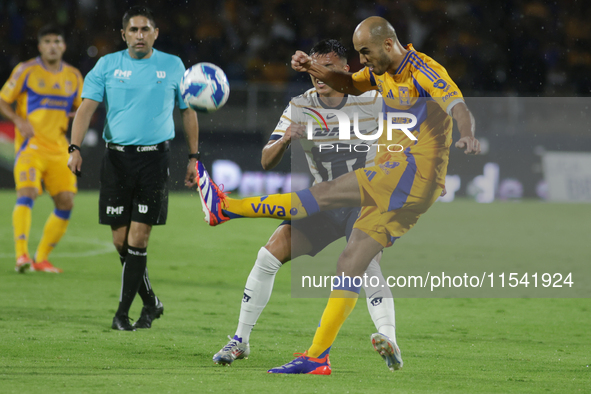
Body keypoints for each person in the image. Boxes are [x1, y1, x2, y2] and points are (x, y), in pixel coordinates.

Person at [196, 16, 480, 373]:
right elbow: (272, 155)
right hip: (358, 198)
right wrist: (290, 126)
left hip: (389, 182)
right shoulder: (306, 103)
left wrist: (465, 134)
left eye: (364, 53)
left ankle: (226, 209)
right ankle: (293, 352)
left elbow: (456, 104)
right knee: (300, 258)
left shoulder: (400, 82)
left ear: (383, 47)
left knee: (358, 250)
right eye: (359, 54)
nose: (364, 61)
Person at [212, 39, 399, 369]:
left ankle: (388, 338)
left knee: (365, 263)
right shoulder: (300, 106)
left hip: (366, 202)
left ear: (346, 69)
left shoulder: (373, 100)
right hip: (325, 201)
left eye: (326, 67)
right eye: (314, 67)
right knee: (268, 254)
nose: (318, 75)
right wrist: (285, 139)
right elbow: (266, 160)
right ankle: (240, 340)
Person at [67, 6, 199, 331]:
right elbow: (85, 109)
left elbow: (188, 111)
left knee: (139, 238)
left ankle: (122, 314)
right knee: (119, 241)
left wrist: (194, 156)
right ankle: (152, 302)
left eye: (145, 29)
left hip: (154, 160)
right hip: (116, 160)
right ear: (123, 34)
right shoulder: (106, 65)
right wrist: (74, 148)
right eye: (134, 30)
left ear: (155, 33)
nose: (139, 35)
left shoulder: (173, 65)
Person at [0, 24, 83, 274]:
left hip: (59, 148)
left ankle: (41, 258)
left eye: (57, 41)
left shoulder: (74, 76)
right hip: (31, 147)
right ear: (40, 46)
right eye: (47, 41)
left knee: (66, 202)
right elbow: (3, 100)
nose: (53, 46)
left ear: (64, 46)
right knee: (27, 194)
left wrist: (76, 115)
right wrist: (17, 120)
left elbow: (81, 107)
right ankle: (22, 256)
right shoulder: (26, 70)